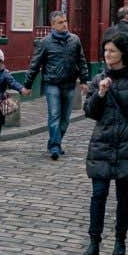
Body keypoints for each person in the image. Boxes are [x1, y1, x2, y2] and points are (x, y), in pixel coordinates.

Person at [81, 34, 128, 255]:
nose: (107, 55)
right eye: (106, 51)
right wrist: (100, 93)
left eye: (112, 51)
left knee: (123, 197)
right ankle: (94, 242)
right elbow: (90, 112)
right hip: (102, 144)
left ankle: (120, 240)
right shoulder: (99, 78)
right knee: (98, 195)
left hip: (127, 145)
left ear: (124, 53)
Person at [25, 10, 89, 160]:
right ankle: (55, 146)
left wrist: (84, 81)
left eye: (65, 21)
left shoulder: (75, 40)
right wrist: (27, 85)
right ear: (53, 25)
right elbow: (35, 64)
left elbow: (82, 61)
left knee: (65, 118)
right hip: (51, 83)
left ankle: (54, 141)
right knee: (54, 114)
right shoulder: (45, 42)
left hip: (69, 83)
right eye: (60, 22)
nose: (65, 24)